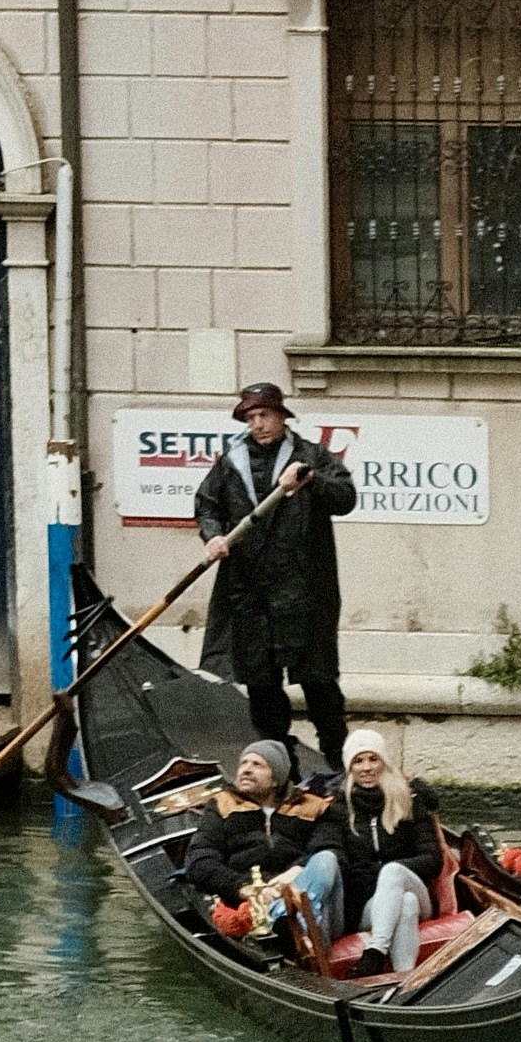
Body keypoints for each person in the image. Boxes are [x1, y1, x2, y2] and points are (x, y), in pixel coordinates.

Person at [196, 385, 357, 770]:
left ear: (282, 416)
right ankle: (281, 768)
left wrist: (312, 481)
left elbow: (346, 498)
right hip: (250, 592)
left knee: (319, 682)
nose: (258, 424)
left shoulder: (310, 457)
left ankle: (337, 763)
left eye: (264, 416)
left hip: (304, 591)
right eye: (250, 418)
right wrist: (212, 534)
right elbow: (207, 505)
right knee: (262, 686)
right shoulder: (230, 461)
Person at [173, 737, 342, 945]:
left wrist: (294, 874)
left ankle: (287, 921)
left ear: (276, 779)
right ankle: (288, 924)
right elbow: (199, 862)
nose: (245, 769)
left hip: (301, 891)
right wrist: (246, 889)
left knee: (326, 859)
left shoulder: (314, 808)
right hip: (248, 901)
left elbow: (331, 848)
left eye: (257, 764)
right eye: (243, 763)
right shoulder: (221, 806)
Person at [327, 724, 449, 982]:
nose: (367, 767)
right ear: (349, 768)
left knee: (393, 872)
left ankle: (375, 952)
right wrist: (376, 876)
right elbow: (339, 862)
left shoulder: (409, 801)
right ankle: (404, 979)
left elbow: (432, 860)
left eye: (374, 759)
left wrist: (387, 872)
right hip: (367, 906)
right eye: (358, 761)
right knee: (405, 904)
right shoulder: (338, 810)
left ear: (384, 762)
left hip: (414, 886)